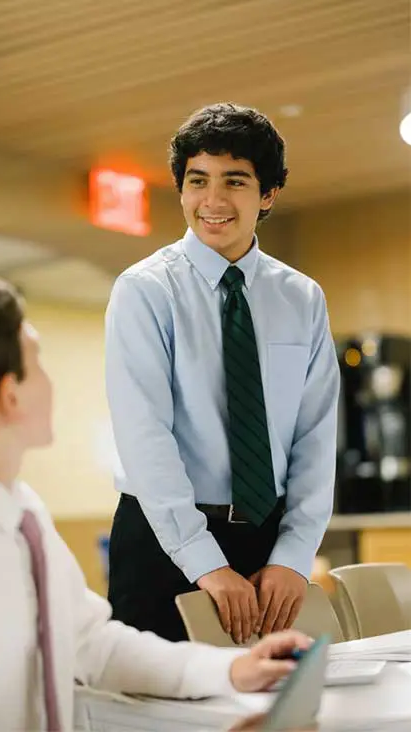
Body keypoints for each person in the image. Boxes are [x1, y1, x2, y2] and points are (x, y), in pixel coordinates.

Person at [0, 274, 311, 731]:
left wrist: (230, 668)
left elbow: (91, 644)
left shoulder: (21, 517)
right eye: (36, 361)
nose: (49, 379)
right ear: (10, 396)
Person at [105, 102, 340, 645]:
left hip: (268, 546)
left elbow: (315, 434)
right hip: (164, 540)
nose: (212, 201)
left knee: (272, 713)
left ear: (268, 195)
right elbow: (145, 437)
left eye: (234, 181)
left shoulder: (301, 298)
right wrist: (203, 561)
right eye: (197, 181)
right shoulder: (145, 291)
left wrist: (294, 554)